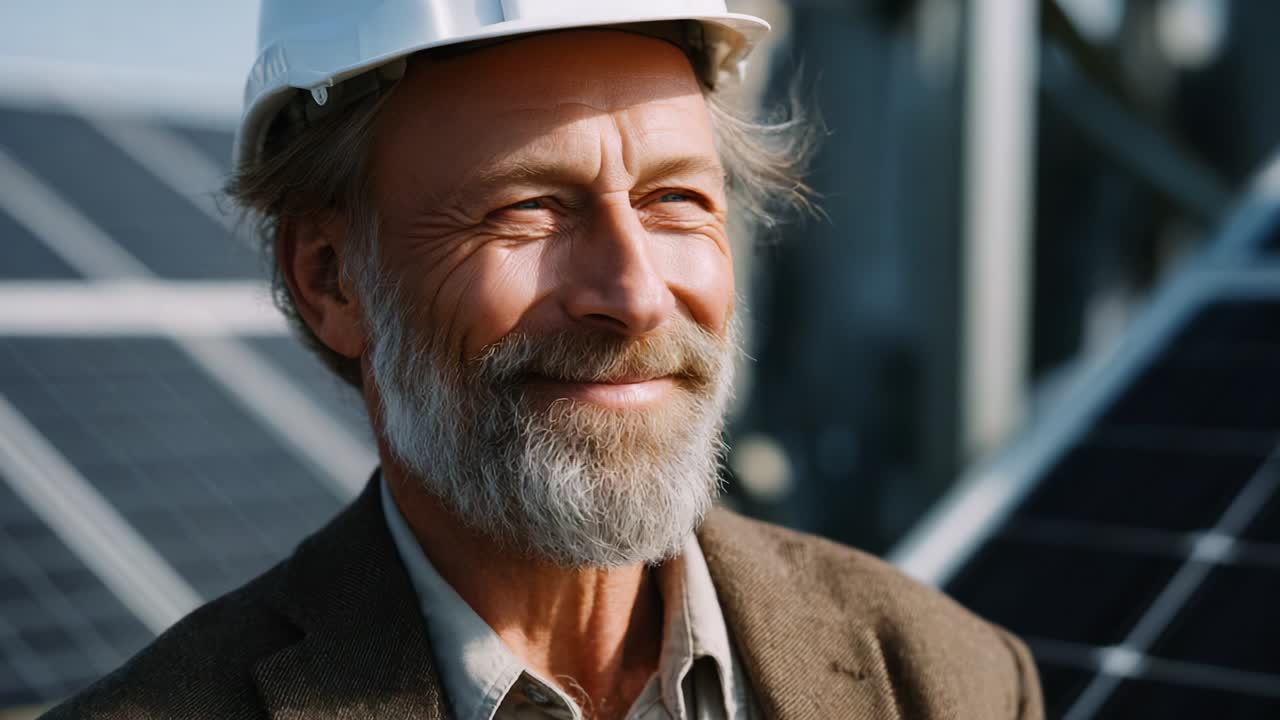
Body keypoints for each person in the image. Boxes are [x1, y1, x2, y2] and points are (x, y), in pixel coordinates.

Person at [46, 2, 1042, 718]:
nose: (635, 293)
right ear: (327, 279)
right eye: (526, 209)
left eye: (676, 203)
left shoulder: (946, 680)